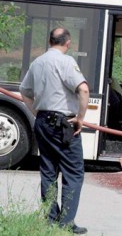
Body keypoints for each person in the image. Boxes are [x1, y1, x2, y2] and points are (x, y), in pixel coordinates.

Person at [19, 27, 89, 234]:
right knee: (73, 172)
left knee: (48, 171)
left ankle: (50, 219)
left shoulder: (37, 62)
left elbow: (24, 90)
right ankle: (66, 222)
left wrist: (37, 112)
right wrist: (81, 118)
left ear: (50, 41)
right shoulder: (66, 62)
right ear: (67, 43)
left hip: (42, 122)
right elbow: (83, 89)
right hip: (63, 125)